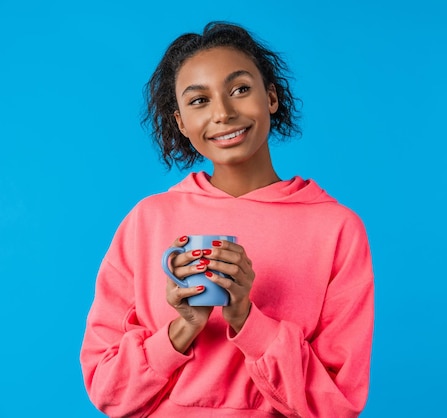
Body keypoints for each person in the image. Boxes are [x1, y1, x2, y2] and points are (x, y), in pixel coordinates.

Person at [80, 21, 374, 418]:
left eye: (240, 89)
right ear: (181, 123)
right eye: (199, 101)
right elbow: (107, 390)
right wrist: (183, 328)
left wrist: (247, 320)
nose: (223, 113)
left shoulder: (337, 229)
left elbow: (336, 405)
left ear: (270, 96)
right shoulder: (146, 221)